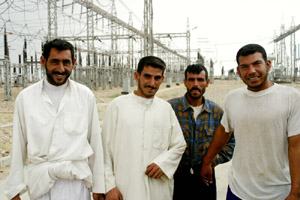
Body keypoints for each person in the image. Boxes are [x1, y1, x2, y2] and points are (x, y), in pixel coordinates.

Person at [5, 39, 105, 200]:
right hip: (41, 184)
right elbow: (18, 145)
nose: (61, 69)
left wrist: (100, 186)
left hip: (76, 183)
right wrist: (13, 191)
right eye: (55, 62)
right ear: (43, 61)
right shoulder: (26, 98)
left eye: (66, 62)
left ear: (73, 63)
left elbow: (95, 143)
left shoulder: (85, 96)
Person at [200, 44, 300, 200]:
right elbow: (224, 130)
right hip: (238, 190)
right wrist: (207, 161)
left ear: (268, 65)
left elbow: (296, 146)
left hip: (279, 191)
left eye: (256, 64)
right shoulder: (232, 98)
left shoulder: (291, 97)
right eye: (245, 67)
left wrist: (295, 191)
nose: (251, 71)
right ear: (239, 71)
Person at [102, 56, 186, 200]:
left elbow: (179, 145)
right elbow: (104, 150)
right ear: (137, 76)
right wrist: (109, 186)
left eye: (157, 78)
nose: (152, 83)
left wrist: (163, 164)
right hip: (125, 188)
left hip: (158, 189)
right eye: (147, 76)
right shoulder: (118, 106)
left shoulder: (166, 109)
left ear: (162, 79)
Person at [168, 64, 235, 200]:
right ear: (185, 82)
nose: (195, 84)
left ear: (207, 82)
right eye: (191, 80)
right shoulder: (170, 108)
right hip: (176, 176)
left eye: (200, 80)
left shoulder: (216, 112)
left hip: (205, 176)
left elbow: (231, 143)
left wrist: (211, 162)